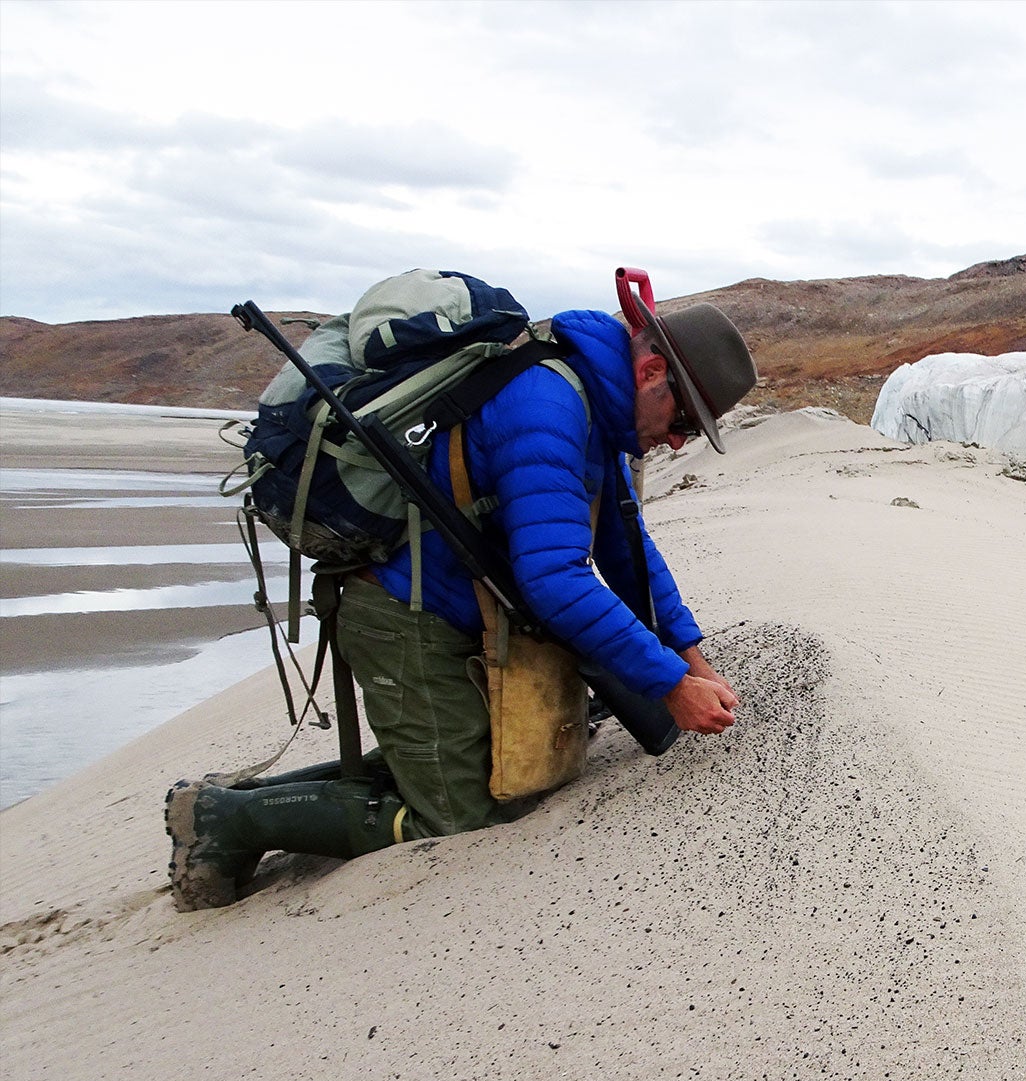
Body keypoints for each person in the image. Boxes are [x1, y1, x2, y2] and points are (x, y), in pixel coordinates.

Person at [165, 298, 757, 910]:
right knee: (455, 820)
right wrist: (668, 684)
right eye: (684, 420)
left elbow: (627, 548)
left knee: (474, 759)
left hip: (458, 606)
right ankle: (223, 819)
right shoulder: (547, 404)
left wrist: (690, 657)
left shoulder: (596, 414)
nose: (678, 442)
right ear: (650, 372)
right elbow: (556, 579)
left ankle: (258, 802)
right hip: (402, 611)